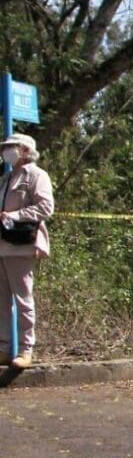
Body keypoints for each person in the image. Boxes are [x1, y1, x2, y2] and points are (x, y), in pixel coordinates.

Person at [0, 134, 54, 369]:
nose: (6, 151)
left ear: (24, 150)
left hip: (21, 246)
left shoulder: (37, 175)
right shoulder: (7, 177)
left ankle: (25, 350)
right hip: (2, 246)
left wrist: (15, 216)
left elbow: (45, 207)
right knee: (1, 301)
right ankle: (3, 349)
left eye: (10, 147)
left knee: (23, 299)